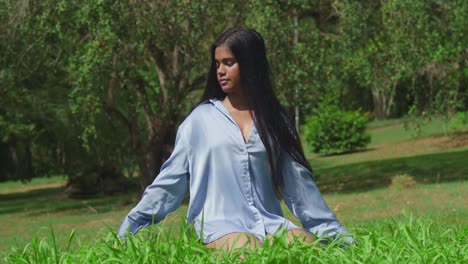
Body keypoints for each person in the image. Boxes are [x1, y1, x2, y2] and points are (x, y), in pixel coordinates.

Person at [118, 27, 353, 251]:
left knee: (303, 244)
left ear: (251, 65)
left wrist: (341, 239)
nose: (220, 71)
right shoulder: (198, 121)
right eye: (217, 63)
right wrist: (128, 231)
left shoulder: (275, 121)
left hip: (269, 225)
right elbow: (168, 185)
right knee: (246, 246)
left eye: (228, 63)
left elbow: (301, 188)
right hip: (215, 228)